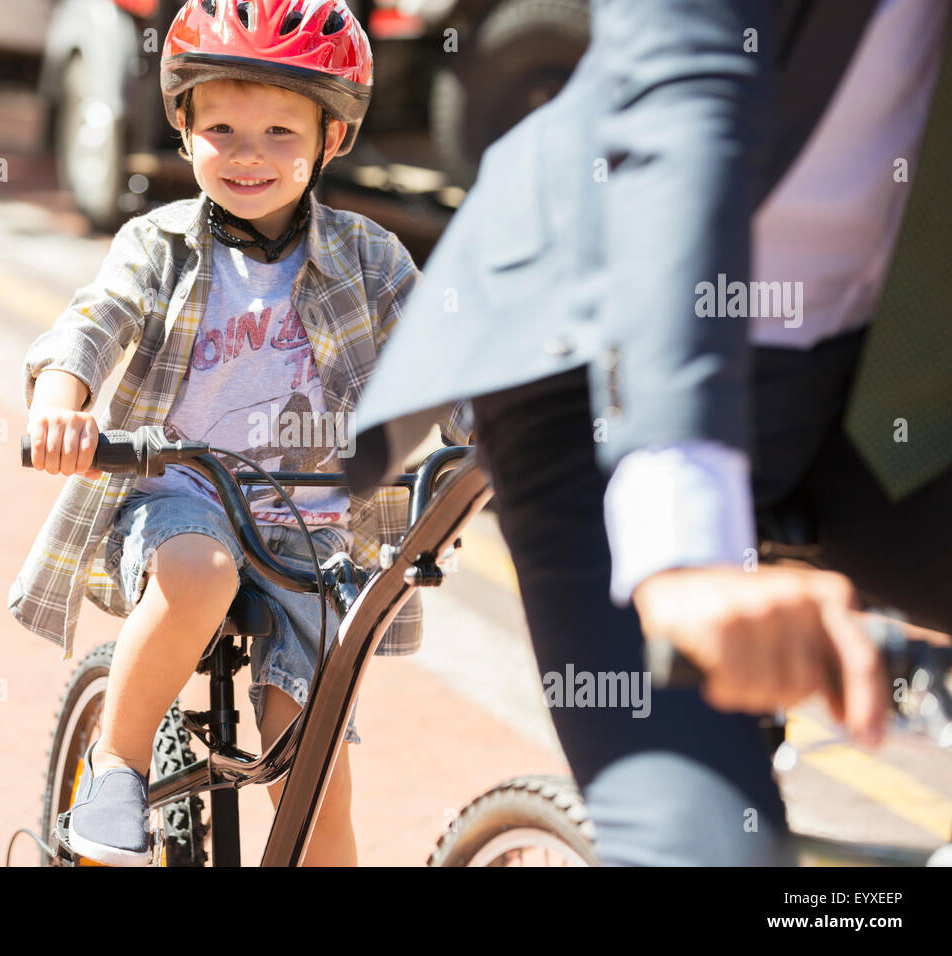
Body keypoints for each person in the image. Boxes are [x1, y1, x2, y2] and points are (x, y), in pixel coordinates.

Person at [346, 0, 952, 865]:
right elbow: (685, 95)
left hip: (881, 384)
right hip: (601, 367)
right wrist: (685, 547)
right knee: (705, 847)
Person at [8, 0, 471, 866]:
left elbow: (445, 357)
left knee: (318, 781)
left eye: (280, 133)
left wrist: (508, 431)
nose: (249, 154)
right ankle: (118, 761)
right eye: (221, 126)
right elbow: (93, 322)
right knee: (198, 571)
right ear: (182, 129)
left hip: (315, 531)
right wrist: (61, 401)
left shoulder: (369, 258)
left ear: (331, 140)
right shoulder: (159, 245)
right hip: (180, 494)